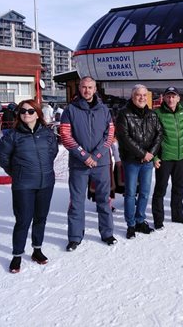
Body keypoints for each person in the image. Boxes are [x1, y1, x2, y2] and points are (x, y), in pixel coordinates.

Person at [0, 99, 58, 273]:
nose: (26, 114)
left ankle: (37, 250)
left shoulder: (47, 134)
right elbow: (4, 159)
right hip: (23, 184)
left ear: (38, 113)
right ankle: (17, 255)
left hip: (46, 182)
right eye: (23, 111)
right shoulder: (12, 136)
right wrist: (19, 173)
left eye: (31, 111)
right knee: (23, 220)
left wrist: (43, 169)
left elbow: (52, 153)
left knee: (41, 218)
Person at [60, 76, 117, 250]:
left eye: (90, 87)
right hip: (79, 164)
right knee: (76, 202)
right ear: (79, 88)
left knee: (104, 200)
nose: (87, 90)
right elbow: (66, 136)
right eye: (84, 87)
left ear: (95, 89)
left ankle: (107, 233)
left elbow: (110, 134)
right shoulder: (70, 110)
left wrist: (97, 155)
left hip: (101, 164)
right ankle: (75, 236)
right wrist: (85, 156)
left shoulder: (104, 110)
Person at [116, 84, 163, 239]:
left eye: (144, 95)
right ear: (133, 96)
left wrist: (150, 154)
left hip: (147, 162)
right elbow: (124, 138)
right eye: (138, 95)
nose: (142, 98)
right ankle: (130, 224)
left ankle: (140, 220)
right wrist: (143, 153)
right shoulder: (124, 114)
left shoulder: (152, 114)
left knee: (144, 192)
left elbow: (159, 134)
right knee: (130, 193)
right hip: (131, 161)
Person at [151, 86, 183, 230]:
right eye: (168, 96)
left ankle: (177, 214)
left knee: (179, 187)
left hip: (180, 157)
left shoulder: (182, 113)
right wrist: (154, 157)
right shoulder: (157, 114)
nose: (171, 99)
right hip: (164, 157)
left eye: (174, 96)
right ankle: (158, 219)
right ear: (164, 98)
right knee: (161, 189)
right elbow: (152, 138)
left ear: (178, 98)